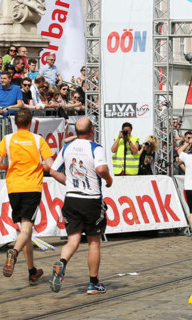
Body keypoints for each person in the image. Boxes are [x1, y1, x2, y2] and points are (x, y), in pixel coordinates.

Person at [49, 117, 112, 294]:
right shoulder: (96, 148)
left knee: (73, 240)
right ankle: (93, 283)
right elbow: (101, 169)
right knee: (94, 242)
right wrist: (108, 178)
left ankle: (61, 262)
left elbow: (53, 171)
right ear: (92, 130)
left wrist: (69, 182)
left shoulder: (67, 147)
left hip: (72, 198)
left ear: (76, 132)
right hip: (91, 199)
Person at [0, 108, 54, 283]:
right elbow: (49, 165)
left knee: (25, 229)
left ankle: (32, 271)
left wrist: (8, 168)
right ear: (31, 122)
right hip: (31, 186)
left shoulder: (8, 139)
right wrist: (36, 167)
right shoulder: (37, 139)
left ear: (15, 122)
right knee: (27, 227)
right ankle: (14, 252)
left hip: (14, 187)